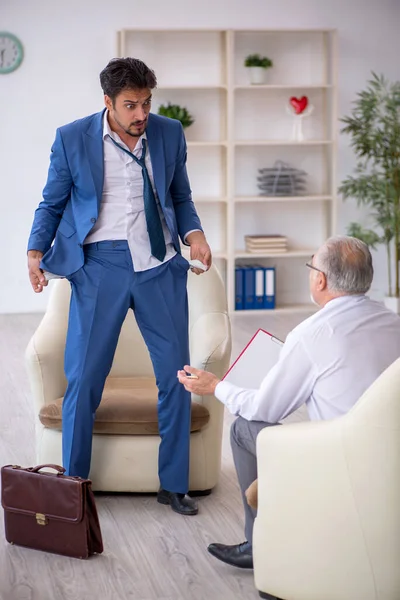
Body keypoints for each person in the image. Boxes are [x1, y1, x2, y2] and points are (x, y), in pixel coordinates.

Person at [27, 57, 212, 517]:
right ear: (107, 102)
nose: (141, 114)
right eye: (131, 105)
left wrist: (196, 235)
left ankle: (173, 485)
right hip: (99, 265)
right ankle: (74, 486)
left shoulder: (168, 133)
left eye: (147, 103)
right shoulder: (72, 138)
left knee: (176, 376)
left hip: (159, 264)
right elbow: (52, 202)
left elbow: (180, 195)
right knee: (85, 379)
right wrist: (35, 252)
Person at [178, 235, 400, 561]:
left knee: (244, 429)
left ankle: (259, 546)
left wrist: (216, 386)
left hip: (342, 463)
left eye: (311, 267)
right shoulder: (393, 323)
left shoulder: (313, 334)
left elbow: (264, 409)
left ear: (320, 279)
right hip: (389, 460)